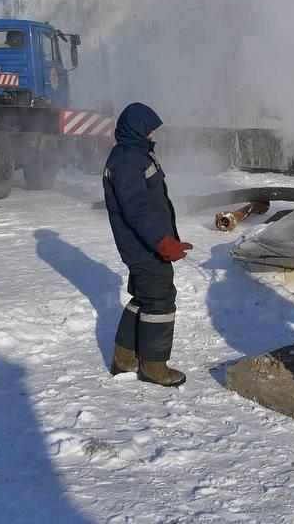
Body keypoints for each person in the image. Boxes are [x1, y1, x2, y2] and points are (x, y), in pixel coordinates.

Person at [102, 102, 192, 386]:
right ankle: (154, 366)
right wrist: (163, 242)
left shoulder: (135, 154)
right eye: (149, 130)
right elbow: (137, 209)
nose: (153, 135)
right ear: (136, 130)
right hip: (143, 245)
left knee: (145, 296)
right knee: (161, 297)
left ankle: (124, 357)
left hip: (144, 243)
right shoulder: (129, 160)